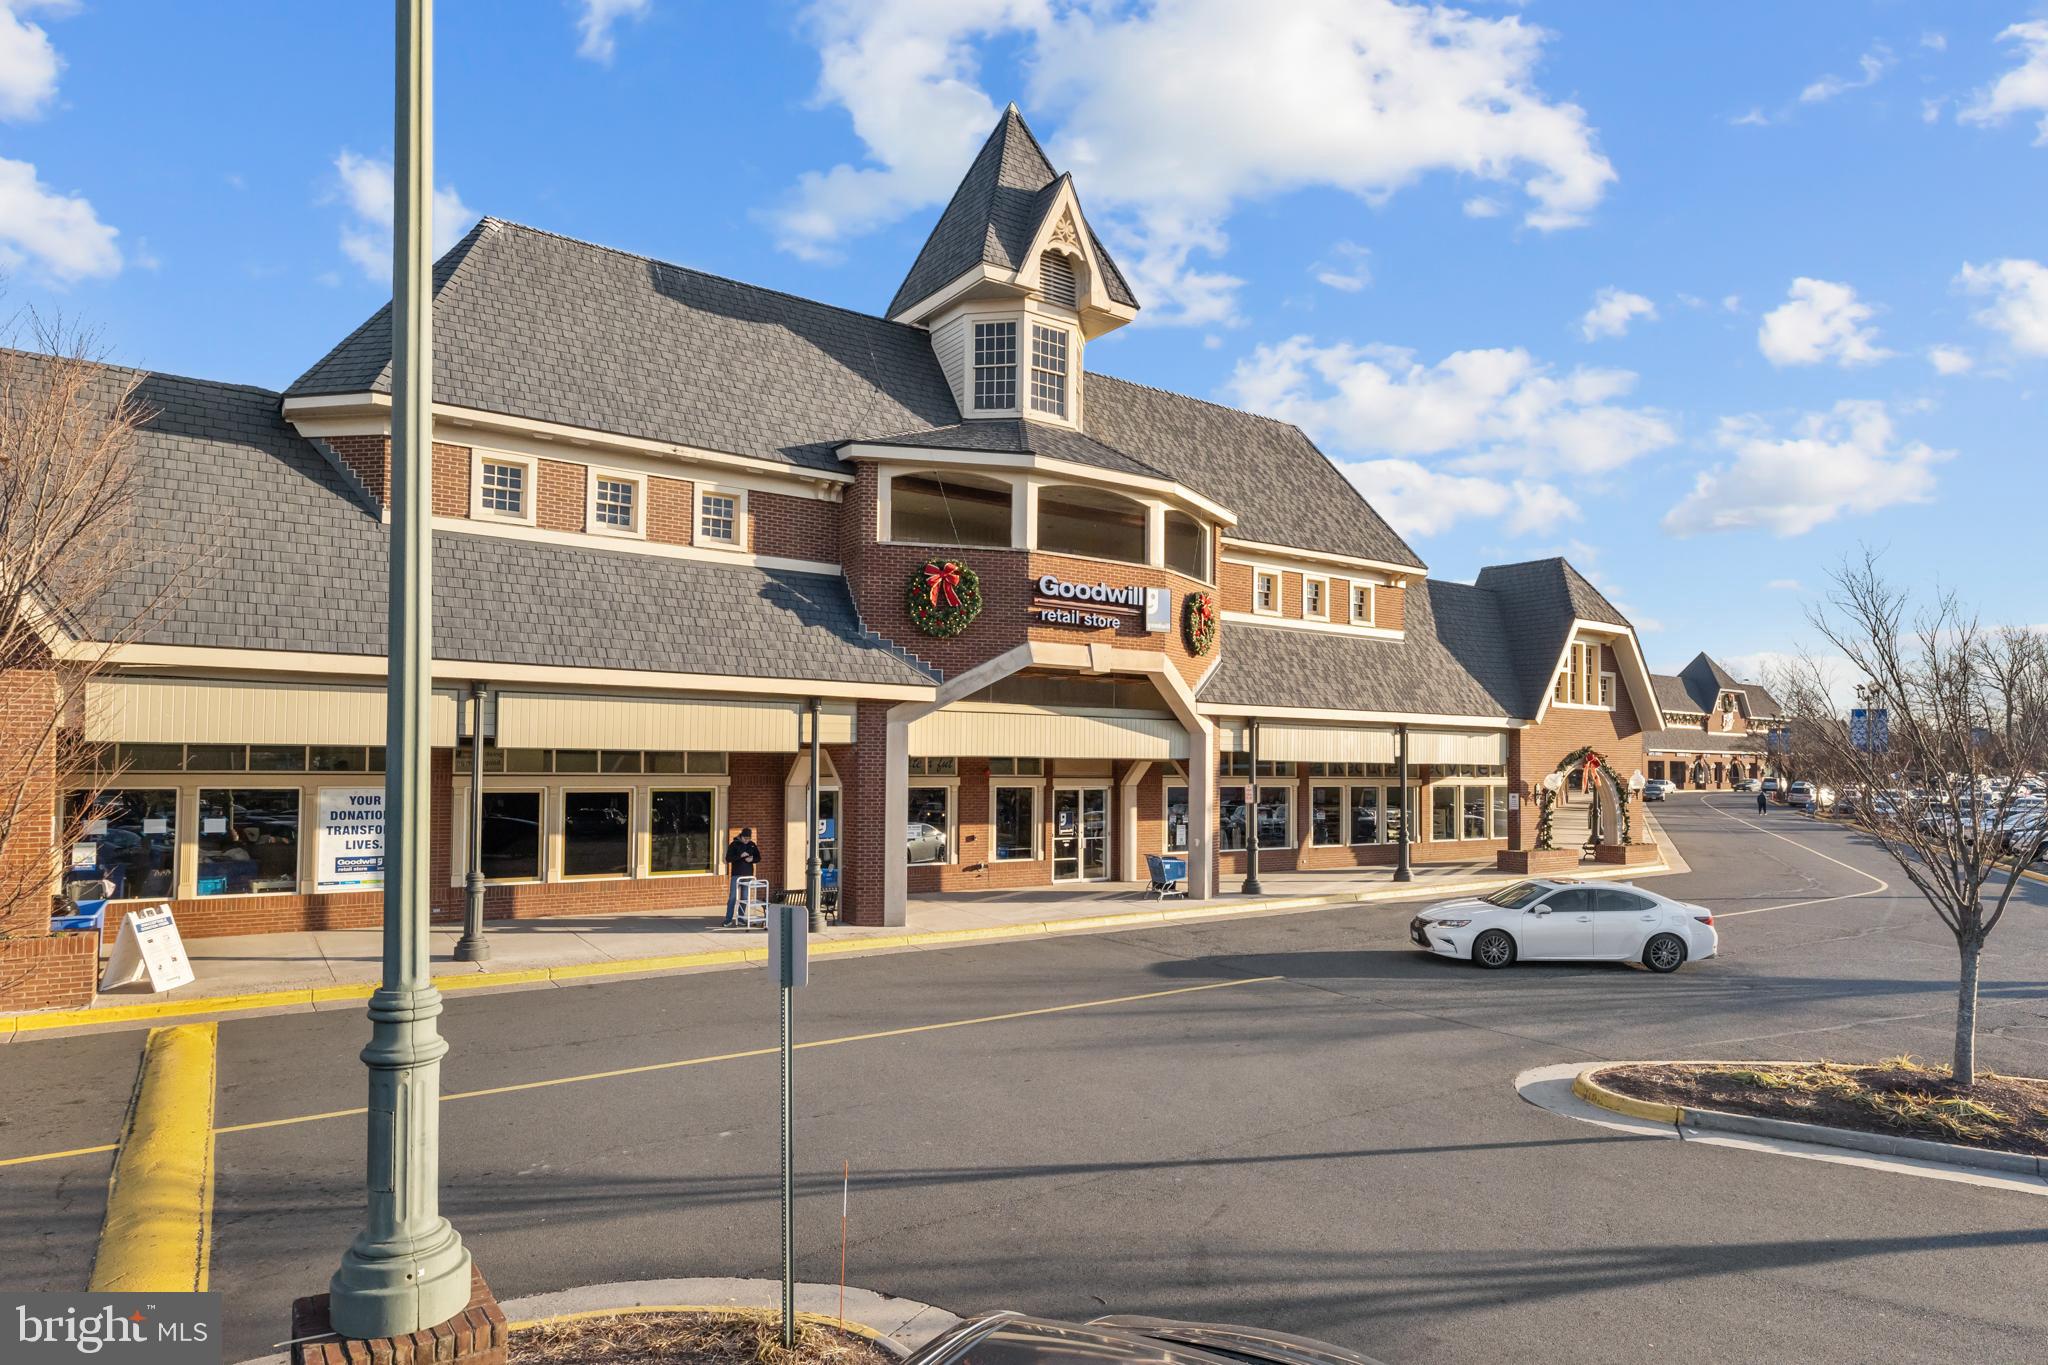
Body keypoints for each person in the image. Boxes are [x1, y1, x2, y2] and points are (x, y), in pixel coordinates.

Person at [723, 826, 762, 926]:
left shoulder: (752, 845)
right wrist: (740, 856)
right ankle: (728, 919)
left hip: (748, 875)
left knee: (744, 898)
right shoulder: (734, 845)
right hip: (736, 875)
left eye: (749, 839)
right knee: (732, 897)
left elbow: (758, 858)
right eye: (745, 838)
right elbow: (728, 858)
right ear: (741, 836)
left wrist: (752, 859)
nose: (747, 841)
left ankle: (741, 918)